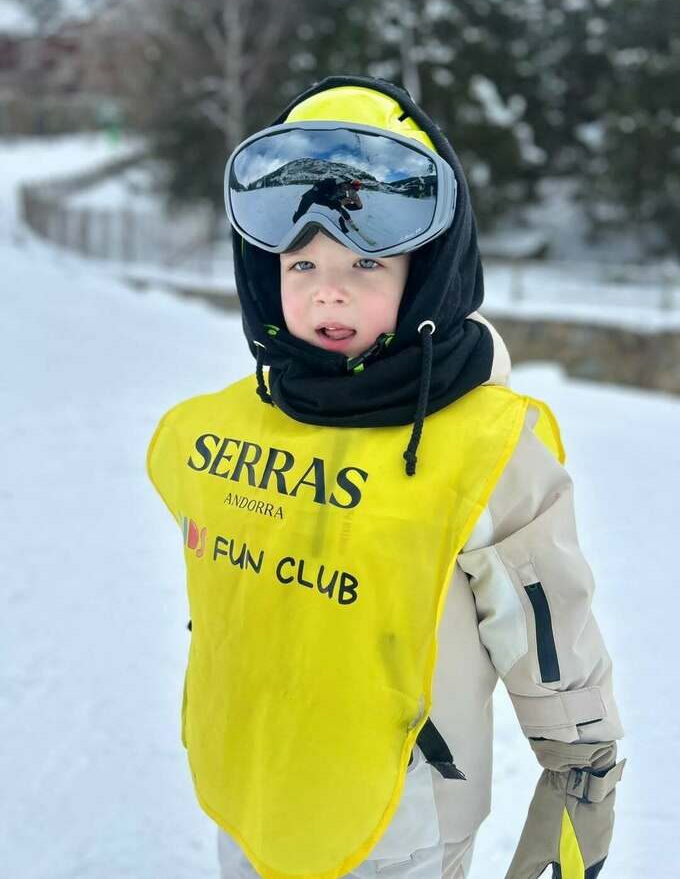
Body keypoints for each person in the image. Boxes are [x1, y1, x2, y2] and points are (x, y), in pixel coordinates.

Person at [146, 75, 625, 879]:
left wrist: (581, 757)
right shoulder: (214, 427)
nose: (328, 287)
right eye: (300, 264)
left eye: (366, 259)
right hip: (249, 789)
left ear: (429, 270)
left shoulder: (485, 450)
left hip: (400, 819)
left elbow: (545, 623)